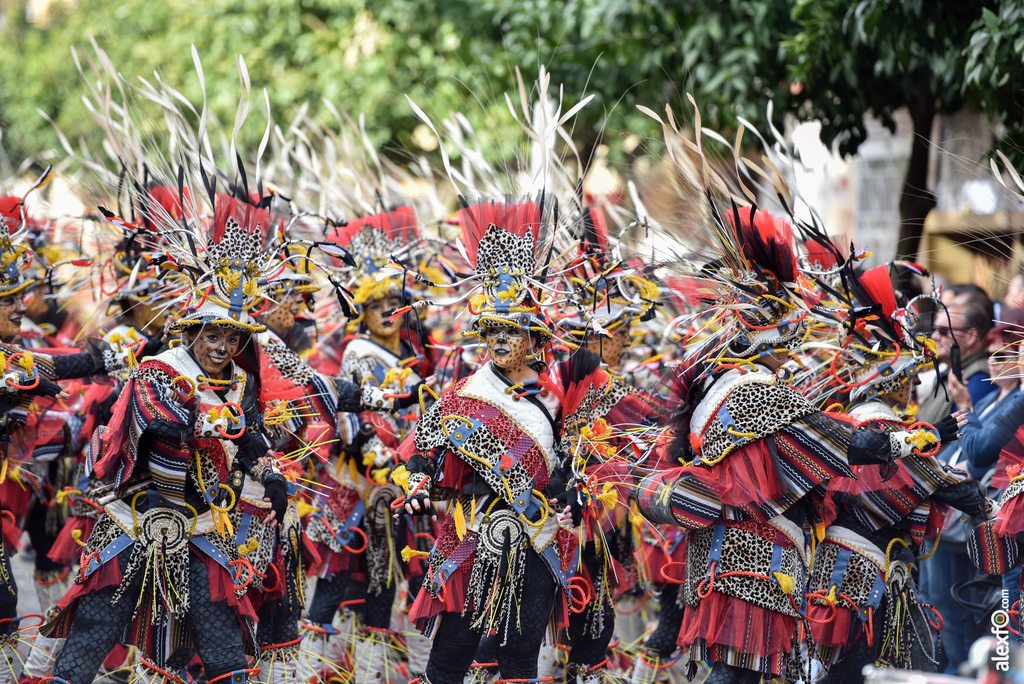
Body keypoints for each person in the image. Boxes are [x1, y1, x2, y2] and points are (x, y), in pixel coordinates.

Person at [630, 208, 944, 684]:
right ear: (761, 330)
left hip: (741, 553)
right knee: (733, 675)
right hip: (748, 555)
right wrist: (906, 440)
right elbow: (839, 442)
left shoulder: (736, 386)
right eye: (785, 330)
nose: (793, 346)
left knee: (739, 674)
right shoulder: (753, 391)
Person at [391, 198, 586, 684]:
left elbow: (575, 463)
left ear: (535, 339)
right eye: (492, 330)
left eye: (511, 331)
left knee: (519, 656)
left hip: (539, 538)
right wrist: (416, 486)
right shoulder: (463, 394)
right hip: (474, 535)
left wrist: (574, 495)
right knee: (453, 649)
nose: (499, 340)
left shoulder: (559, 398)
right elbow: (423, 454)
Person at [804, 264, 987, 682]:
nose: (913, 388)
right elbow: (943, 482)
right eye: (907, 379)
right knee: (852, 672)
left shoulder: (860, 423)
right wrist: (993, 502)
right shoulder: (882, 429)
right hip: (858, 573)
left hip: (851, 569)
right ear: (891, 383)